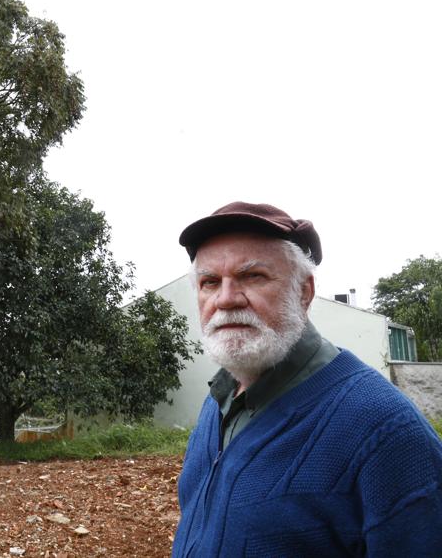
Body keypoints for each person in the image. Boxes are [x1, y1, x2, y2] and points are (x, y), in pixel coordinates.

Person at [171, 201, 442, 557]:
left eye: (252, 276)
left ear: (304, 292)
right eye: (209, 282)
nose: (225, 299)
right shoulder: (218, 402)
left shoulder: (384, 430)